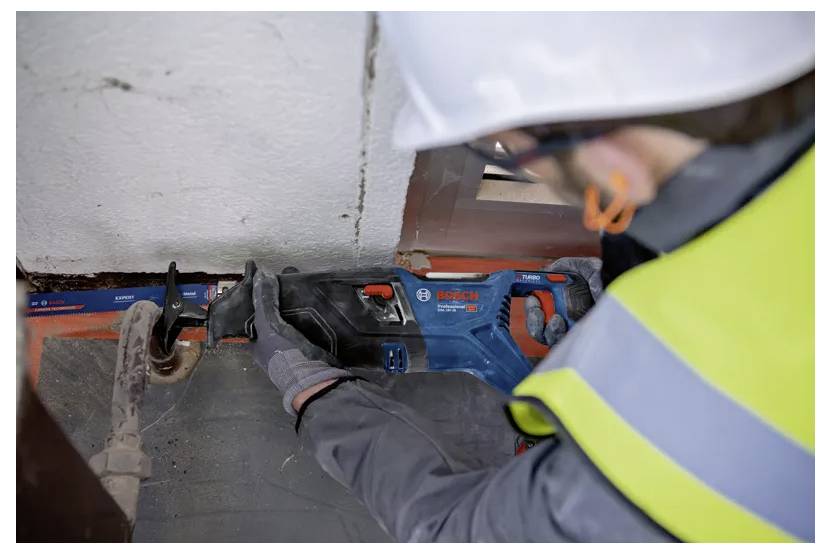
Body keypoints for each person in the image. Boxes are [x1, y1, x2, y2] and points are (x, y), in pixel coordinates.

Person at [250, 12, 815, 542]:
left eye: (509, 153)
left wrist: (313, 390)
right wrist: (615, 285)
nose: (513, 162)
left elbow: (449, 529)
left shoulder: (669, 449)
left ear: (622, 163)